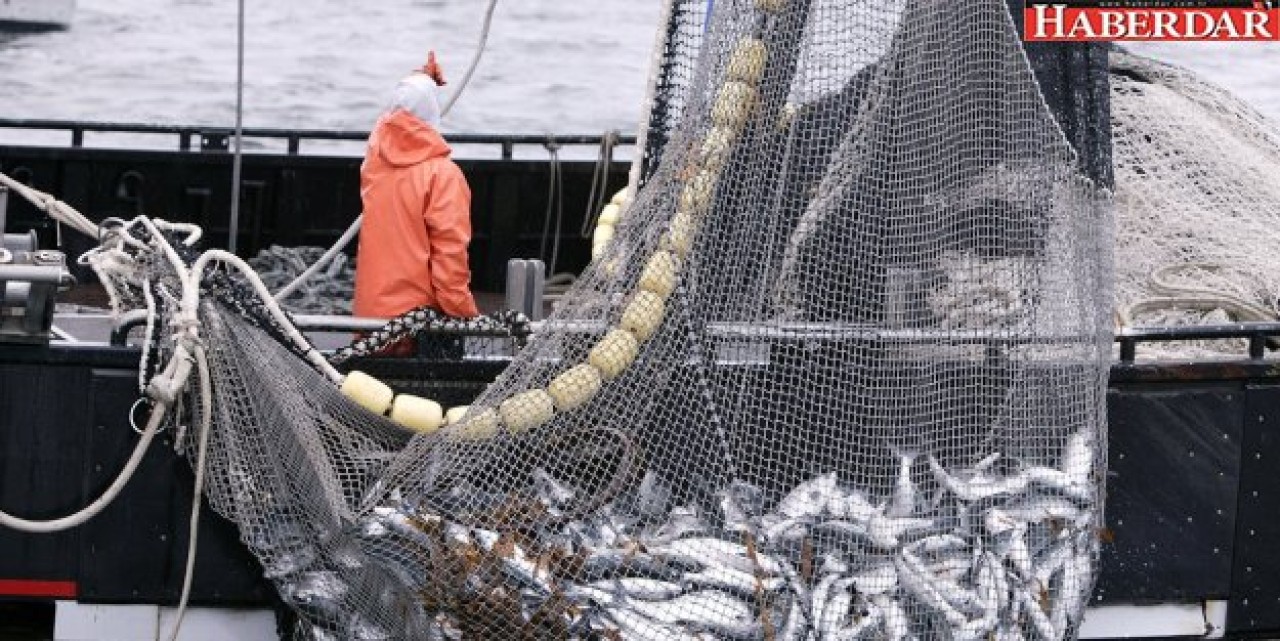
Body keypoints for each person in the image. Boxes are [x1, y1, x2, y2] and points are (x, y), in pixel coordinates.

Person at [353, 52, 481, 330]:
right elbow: (450, 263)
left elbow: (390, 121)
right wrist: (467, 318)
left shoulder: (375, 164)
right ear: (433, 114)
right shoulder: (443, 176)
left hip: (369, 322)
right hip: (419, 327)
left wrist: (422, 79)